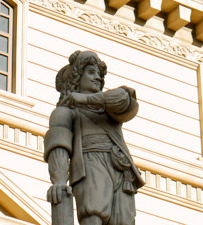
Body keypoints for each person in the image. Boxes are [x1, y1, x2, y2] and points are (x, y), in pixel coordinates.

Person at [46, 51, 144, 225]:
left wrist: (85, 99)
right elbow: (58, 145)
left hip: (121, 169)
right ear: (77, 77)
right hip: (90, 162)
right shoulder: (65, 112)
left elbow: (126, 98)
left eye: (99, 74)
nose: (97, 77)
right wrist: (59, 181)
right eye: (91, 72)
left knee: (124, 221)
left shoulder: (109, 109)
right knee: (93, 215)